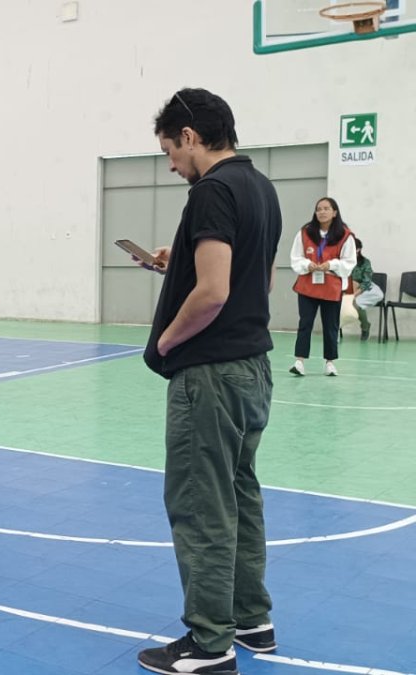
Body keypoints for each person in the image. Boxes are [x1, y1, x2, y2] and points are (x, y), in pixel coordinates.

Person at [135, 88, 281, 675]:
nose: (171, 163)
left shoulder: (213, 190)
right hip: (253, 369)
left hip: (211, 374)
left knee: (202, 505)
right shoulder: (261, 187)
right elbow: (258, 280)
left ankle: (209, 644)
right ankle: (253, 619)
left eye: (171, 150)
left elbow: (215, 292)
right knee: (240, 494)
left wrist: (168, 340)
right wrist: (185, 262)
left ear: (190, 136)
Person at [288, 197, 356, 377]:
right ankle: (299, 361)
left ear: (334, 212)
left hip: (331, 287)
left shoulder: (345, 235)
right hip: (308, 285)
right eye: (319, 209)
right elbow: (295, 257)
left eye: (326, 208)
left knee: (330, 326)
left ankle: (330, 363)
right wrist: (306, 265)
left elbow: (350, 262)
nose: (322, 212)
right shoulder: (305, 232)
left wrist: (331, 265)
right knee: (305, 323)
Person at [349, 236, 383, 341]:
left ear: (358, 249)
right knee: (352, 304)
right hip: (349, 288)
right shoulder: (344, 262)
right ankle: (366, 325)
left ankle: (364, 328)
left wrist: (355, 294)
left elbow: (366, 281)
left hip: (366, 288)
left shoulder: (365, 262)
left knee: (358, 302)